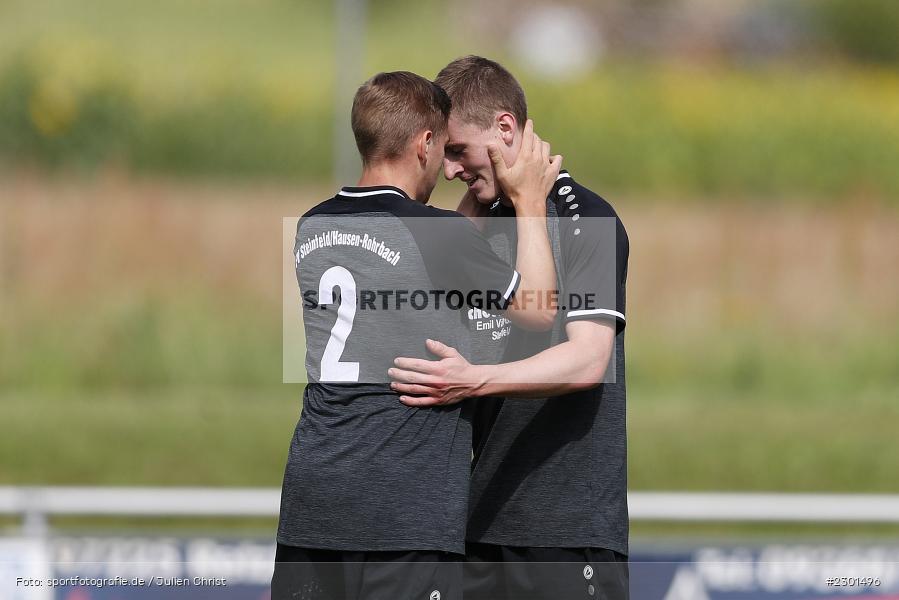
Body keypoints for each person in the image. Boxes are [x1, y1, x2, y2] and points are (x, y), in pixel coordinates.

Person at [272, 70, 562, 600]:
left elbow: (418, 266)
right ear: (424, 143)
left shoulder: (311, 227)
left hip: (313, 499)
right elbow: (539, 309)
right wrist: (530, 202)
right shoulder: (436, 234)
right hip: (402, 504)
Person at [388, 56, 630, 600]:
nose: (448, 169)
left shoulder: (586, 219)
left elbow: (589, 359)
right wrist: (483, 194)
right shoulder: (482, 217)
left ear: (505, 129)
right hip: (477, 524)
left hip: (566, 535)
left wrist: (472, 380)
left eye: (458, 151)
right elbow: (429, 282)